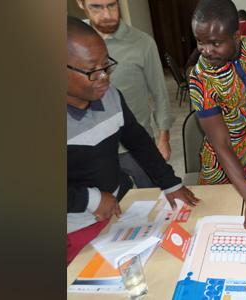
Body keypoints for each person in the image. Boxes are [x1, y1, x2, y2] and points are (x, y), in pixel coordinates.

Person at [66, 16, 200, 264]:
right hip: (73, 229)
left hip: (114, 214)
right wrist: (91, 199)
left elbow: (138, 140)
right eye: (93, 70)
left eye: (106, 65)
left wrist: (169, 183)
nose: (105, 77)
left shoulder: (110, 96)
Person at [189, 0, 246, 236]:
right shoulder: (201, 79)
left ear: (237, 35)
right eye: (200, 42)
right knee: (222, 232)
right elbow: (221, 144)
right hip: (221, 168)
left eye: (215, 43)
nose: (206, 51)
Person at [77, 0, 173, 188]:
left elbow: (160, 94)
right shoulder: (72, 42)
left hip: (137, 145)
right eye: (96, 7)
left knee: (151, 200)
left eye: (112, 5)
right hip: (93, 150)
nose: (107, 14)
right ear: (81, 4)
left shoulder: (143, 43)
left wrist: (164, 138)